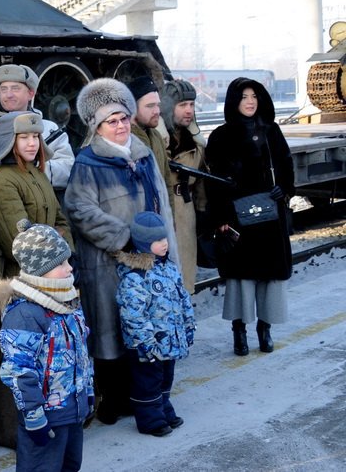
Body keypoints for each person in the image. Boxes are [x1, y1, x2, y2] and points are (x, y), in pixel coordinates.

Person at [63, 78, 177, 427]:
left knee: (145, 327)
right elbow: (79, 209)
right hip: (108, 263)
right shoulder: (88, 162)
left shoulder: (143, 156)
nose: (120, 125)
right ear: (97, 127)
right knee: (111, 330)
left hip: (149, 263)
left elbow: (163, 207)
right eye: (111, 121)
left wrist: (167, 252)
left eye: (124, 118)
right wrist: (125, 239)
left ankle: (142, 398)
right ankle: (112, 400)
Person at [0, 110, 74, 448]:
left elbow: (60, 220)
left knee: (40, 356)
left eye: (35, 136)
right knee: (12, 358)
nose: (32, 143)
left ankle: (40, 421)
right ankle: (10, 431)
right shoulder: (3, 182)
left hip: (45, 282)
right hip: (19, 284)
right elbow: (19, 242)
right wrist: (55, 251)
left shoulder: (36, 173)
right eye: (24, 137)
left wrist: (57, 248)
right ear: (10, 141)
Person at [0, 220, 93, 472]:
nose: (69, 268)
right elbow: (19, 372)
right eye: (60, 264)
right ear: (40, 270)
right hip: (45, 416)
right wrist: (33, 416)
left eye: (67, 261)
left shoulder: (68, 302)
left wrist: (87, 392)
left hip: (72, 409)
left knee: (70, 465)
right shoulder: (25, 314)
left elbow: (81, 355)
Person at [204, 78, 295, 356]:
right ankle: (239, 331)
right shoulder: (220, 136)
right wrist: (220, 218)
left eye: (254, 96)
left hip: (270, 217)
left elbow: (286, 164)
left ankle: (265, 329)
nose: (250, 102)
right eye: (244, 97)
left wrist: (285, 189)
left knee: (270, 276)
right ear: (234, 101)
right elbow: (213, 183)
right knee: (241, 278)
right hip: (237, 218)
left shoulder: (271, 130)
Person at [115, 212, 195, 437]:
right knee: (148, 381)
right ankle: (150, 420)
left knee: (166, 377)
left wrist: (188, 324)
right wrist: (146, 341)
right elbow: (133, 315)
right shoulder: (135, 277)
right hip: (147, 344)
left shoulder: (169, 267)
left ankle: (163, 408)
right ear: (143, 244)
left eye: (165, 238)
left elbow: (182, 297)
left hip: (169, 338)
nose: (164, 243)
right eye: (158, 240)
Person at [0, 64, 75, 188]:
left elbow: (68, 169)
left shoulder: (49, 129)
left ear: (31, 93)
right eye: (4, 89)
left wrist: (33, 167)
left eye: (15, 89)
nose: (9, 95)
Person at [161, 79, 208, 292]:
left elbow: (201, 182)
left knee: (185, 279)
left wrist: (203, 211)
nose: (189, 110)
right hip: (164, 210)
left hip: (186, 210)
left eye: (191, 104)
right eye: (182, 105)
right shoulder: (157, 139)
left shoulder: (194, 140)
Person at [126, 75, 169, 183]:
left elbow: (166, 181)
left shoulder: (157, 136)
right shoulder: (123, 140)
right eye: (150, 106)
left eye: (157, 105)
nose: (157, 111)